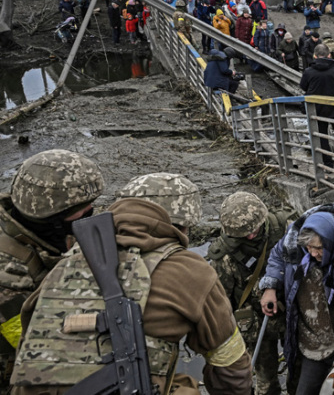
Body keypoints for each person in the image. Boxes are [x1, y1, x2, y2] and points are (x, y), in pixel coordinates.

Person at [12, 173, 252, 394]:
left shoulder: (68, 261)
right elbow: (230, 364)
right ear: (183, 225)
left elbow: (27, 335)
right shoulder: (191, 270)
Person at [0, 150, 103, 391]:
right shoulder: (8, 274)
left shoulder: (31, 226)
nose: (89, 214)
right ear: (51, 217)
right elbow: (34, 346)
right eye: (81, 212)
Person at [259, 205, 334, 395]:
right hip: (312, 345)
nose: (313, 254)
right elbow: (276, 258)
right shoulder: (293, 247)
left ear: (332, 241)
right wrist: (270, 286)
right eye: (308, 248)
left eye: (318, 248)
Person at [208, 192, 293, 395]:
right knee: (266, 379)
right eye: (244, 234)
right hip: (255, 322)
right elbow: (221, 302)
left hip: (290, 310)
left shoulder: (285, 228)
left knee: (299, 373)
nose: (251, 236)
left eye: (254, 230)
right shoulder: (224, 257)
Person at [300, 44, 334, 168]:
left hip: (317, 110)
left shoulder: (308, 71)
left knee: (322, 137)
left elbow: (303, 87)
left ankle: (328, 164)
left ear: (314, 56)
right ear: (329, 55)